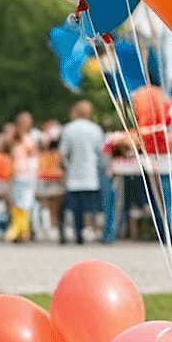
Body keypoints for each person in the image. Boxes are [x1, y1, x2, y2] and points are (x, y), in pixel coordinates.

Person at [59, 101, 105, 245]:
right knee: (92, 207)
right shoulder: (96, 129)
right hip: (91, 175)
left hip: (74, 176)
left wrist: (66, 167)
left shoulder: (68, 129)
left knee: (73, 208)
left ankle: (77, 235)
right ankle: (94, 232)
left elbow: (63, 153)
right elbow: (101, 153)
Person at [5, 120, 39, 242]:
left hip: (20, 176)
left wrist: (11, 177)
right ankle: (23, 231)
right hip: (30, 176)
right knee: (25, 204)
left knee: (19, 204)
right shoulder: (29, 140)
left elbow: (16, 163)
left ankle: (17, 231)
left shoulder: (18, 145)